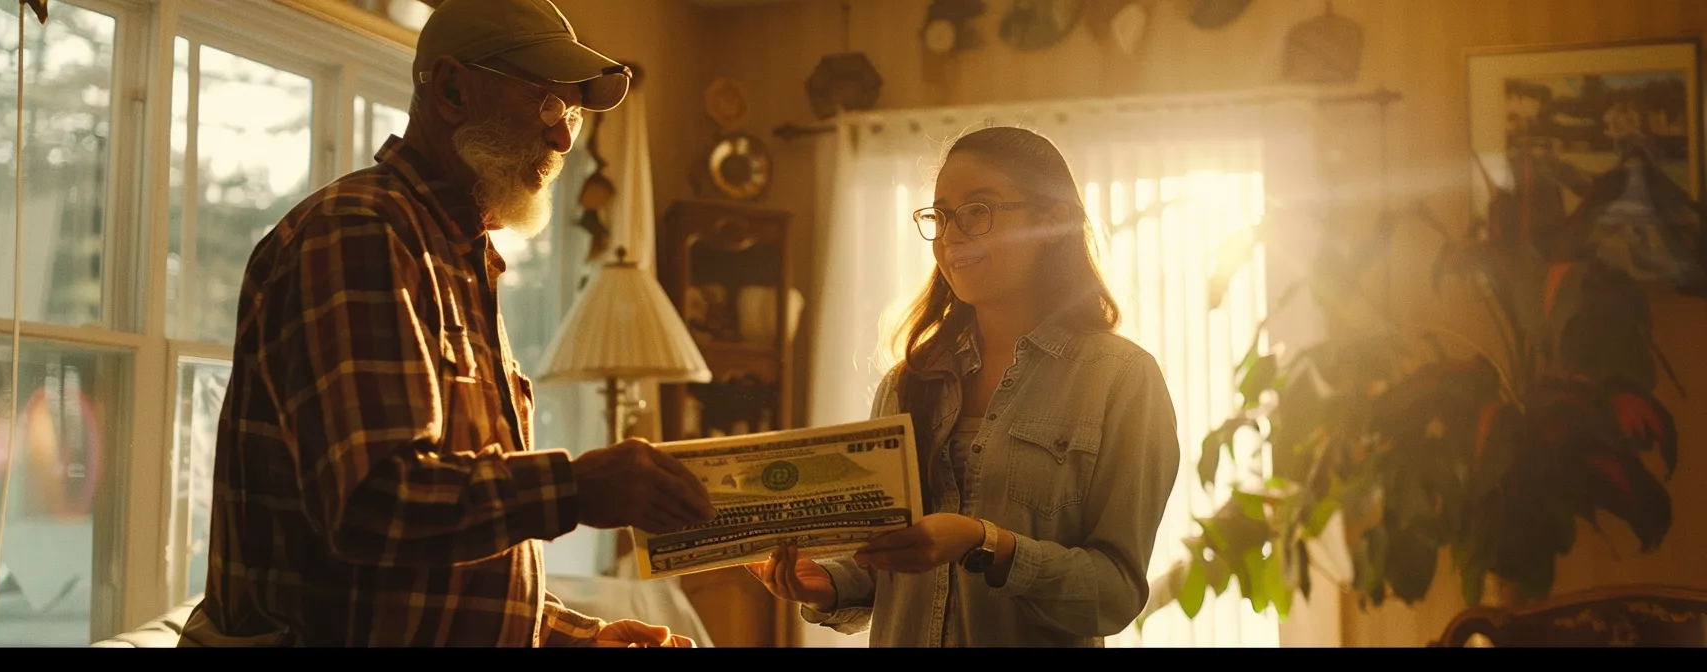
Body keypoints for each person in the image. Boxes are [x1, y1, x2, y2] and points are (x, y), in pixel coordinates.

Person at [179, 0, 715, 648]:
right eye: (546, 102)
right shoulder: (359, 233)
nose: (565, 138)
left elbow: (437, 581)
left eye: (572, 111)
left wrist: (572, 636)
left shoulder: (462, 259)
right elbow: (375, 506)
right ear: (454, 90)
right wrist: (575, 487)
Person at [747, 127, 1181, 647]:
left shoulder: (1122, 379)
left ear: (1054, 220)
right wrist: (827, 584)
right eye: (942, 215)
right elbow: (881, 567)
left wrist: (985, 544)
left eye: (980, 210)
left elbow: (1112, 596)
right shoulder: (907, 384)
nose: (952, 235)